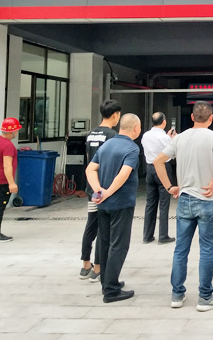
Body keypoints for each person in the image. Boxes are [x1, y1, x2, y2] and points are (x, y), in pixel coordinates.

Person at [153, 101, 213, 311]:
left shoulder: (179, 138)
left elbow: (158, 161)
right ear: (211, 118)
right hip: (207, 200)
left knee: (180, 250)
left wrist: (169, 187)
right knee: (206, 250)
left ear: (192, 117)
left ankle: (177, 295)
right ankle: (205, 297)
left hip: (184, 199)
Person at [85, 113, 141, 303]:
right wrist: (108, 192)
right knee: (119, 245)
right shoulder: (132, 148)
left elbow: (90, 169)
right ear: (136, 129)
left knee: (105, 242)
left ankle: (107, 282)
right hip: (121, 203)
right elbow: (124, 174)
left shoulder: (106, 145)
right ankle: (111, 290)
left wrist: (98, 190)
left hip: (102, 204)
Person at [80, 99, 121, 282]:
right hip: (104, 187)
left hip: (92, 187)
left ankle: (85, 264)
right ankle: (97, 267)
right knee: (104, 228)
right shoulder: (113, 136)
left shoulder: (91, 134)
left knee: (91, 224)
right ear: (115, 115)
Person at [141, 112, 177, 244]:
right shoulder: (165, 138)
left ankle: (147, 235)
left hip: (150, 168)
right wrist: (173, 139)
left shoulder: (145, 135)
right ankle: (163, 235)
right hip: (163, 168)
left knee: (150, 203)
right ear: (164, 122)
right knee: (164, 203)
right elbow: (172, 153)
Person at [0, 118, 22, 243]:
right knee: (0, 208)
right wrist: (12, 183)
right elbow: (7, 165)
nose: (17, 132)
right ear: (11, 132)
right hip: (2, 182)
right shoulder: (8, 145)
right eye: (16, 130)